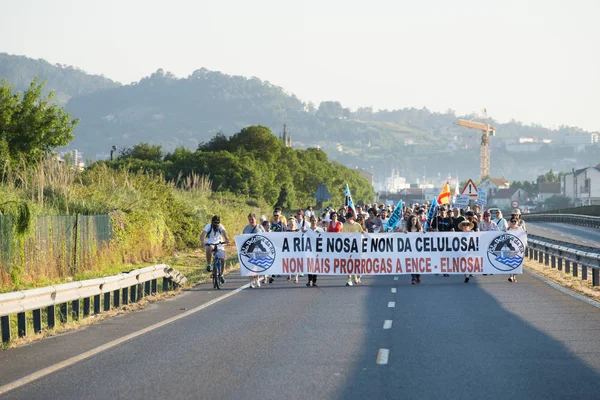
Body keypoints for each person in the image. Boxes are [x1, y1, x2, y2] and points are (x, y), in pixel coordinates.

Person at [200, 215, 230, 284]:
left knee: (222, 259)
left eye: (218, 222)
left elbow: (224, 233)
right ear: (212, 222)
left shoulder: (221, 226)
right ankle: (208, 265)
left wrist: (227, 239)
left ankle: (221, 274)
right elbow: (202, 234)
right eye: (215, 222)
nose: (216, 224)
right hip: (210, 243)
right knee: (208, 249)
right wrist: (202, 241)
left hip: (219, 244)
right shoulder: (208, 226)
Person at [243, 213, 265, 288]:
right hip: (249, 249)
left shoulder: (260, 227)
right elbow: (243, 239)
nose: (251, 221)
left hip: (258, 249)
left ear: (255, 219)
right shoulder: (246, 228)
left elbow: (265, 237)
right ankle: (251, 281)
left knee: (257, 265)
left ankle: (257, 279)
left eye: (252, 219)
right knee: (250, 265)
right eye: (249, 219)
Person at [342, 211, 364, 286]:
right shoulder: (344, 226)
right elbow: (342, 236)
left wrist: (364, 233)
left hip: (357, 247)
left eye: (348, 218)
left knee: (357, 263)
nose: (347, 219)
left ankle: (357, 276)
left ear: (352, 218)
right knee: (348, 263)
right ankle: (349, 279)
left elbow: (362, 233)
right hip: (348, 247)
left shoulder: (357, 225)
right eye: (346, 218)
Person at [306, 215, 324, 287]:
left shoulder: (320, 230)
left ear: (317, 221)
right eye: (312, 220)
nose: (313, 222)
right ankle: (309, 280)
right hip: (309, 249)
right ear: (310, 221)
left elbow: (324, 239)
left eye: (315, 220)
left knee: (316, 264)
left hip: (317, 249)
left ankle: (314, 280)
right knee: (309, 264)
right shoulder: (307, 229)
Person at [405, 215, 423, 284]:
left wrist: (423, 233)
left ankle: (417, 276)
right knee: (412, 263)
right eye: (412, 220)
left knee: (417, 264)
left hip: (418, 249)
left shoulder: (419, 228)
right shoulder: (408, 228)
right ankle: (413, 278)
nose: (414, 221)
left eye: (415, 220)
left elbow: (422, 235)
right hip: (410, 249)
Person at [507, 217, 525, 283]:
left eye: (515, 221)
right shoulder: (508, 229)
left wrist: (525, 233)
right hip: (511, 247)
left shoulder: (520, 229)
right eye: (512, 221)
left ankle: (514, 276)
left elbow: (523, 236)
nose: (514, 222)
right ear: (510, 222)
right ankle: (511, 276)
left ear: (517, 222)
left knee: (516, 262)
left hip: (518, 248)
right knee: (510, 262)